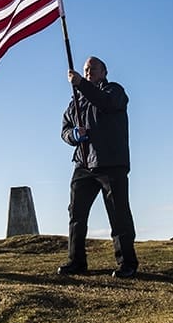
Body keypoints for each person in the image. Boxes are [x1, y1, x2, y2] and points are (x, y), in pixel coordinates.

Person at [58, 56, 138, 278]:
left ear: (104, 72)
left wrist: (81, 84)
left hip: (111, 162)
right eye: (86, 69)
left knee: (118, 214)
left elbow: (105, 103)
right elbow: (65, 129)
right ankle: (76, 262)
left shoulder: (114, 91)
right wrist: (73, 135)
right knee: (76, 214)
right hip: (83, 163)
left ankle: (127, 263)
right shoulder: (76, 101)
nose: (89, 72)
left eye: (93, 68)